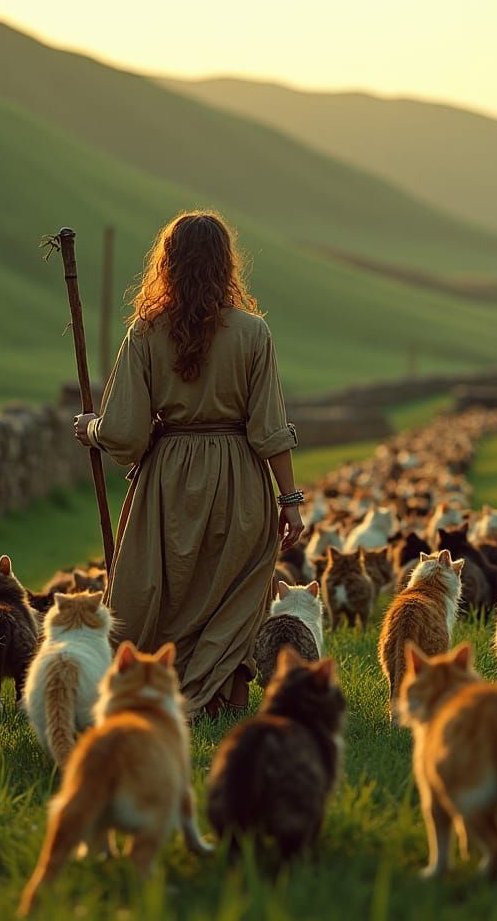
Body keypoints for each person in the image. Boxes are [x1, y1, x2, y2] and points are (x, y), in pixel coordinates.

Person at [72, 211, 304, 719]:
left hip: (168, 479)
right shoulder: (253, 332)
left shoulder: (145, 332)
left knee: (164, 587)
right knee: (234, 590)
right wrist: (289, 500)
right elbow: (269, 427)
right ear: (226, 263)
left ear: (168, 263)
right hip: (240, 477)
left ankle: (155, 686)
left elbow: (125, 432)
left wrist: (91, 428)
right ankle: (226, 698)